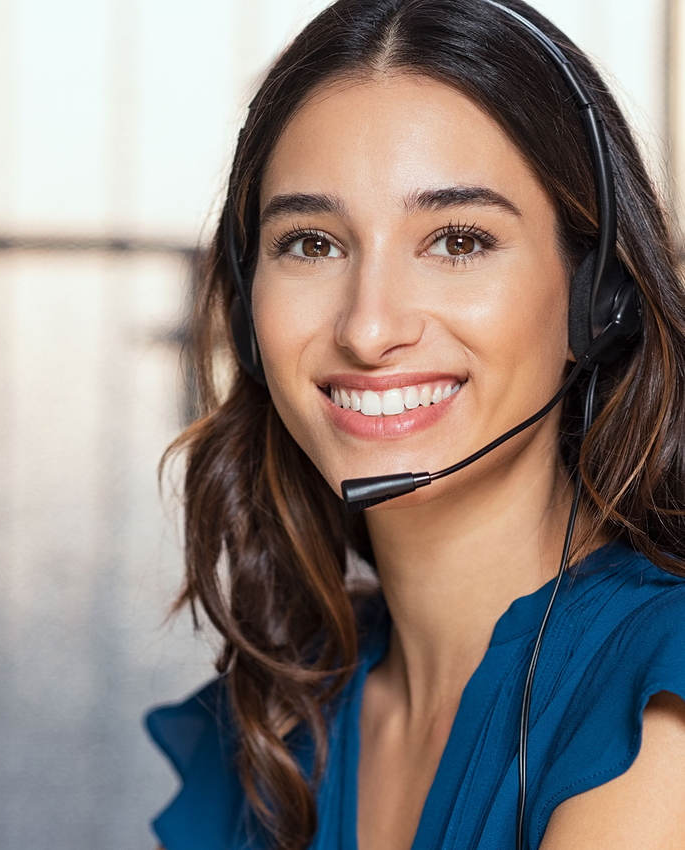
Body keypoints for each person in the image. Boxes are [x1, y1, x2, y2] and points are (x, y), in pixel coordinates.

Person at [144, 0, 685, 848]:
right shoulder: (279, 721)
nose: (367, 327)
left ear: (595, 301)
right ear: (250, 319)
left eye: (459, 240)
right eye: (312, 243)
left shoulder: (656, 709)